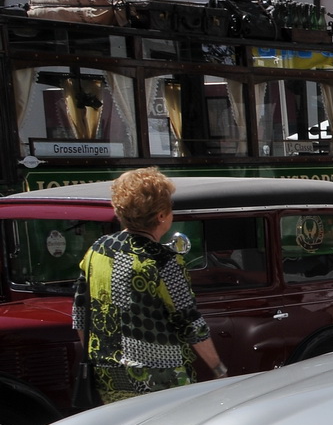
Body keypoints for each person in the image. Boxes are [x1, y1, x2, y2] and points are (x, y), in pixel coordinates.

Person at [72, 168, 228, 404]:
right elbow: (190, 322)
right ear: (162, 216)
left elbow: (80, 312)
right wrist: (218, 368)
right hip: (159, 375)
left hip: (108, 371)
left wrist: (96, 357)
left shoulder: (98, 250)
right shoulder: (163, 260)